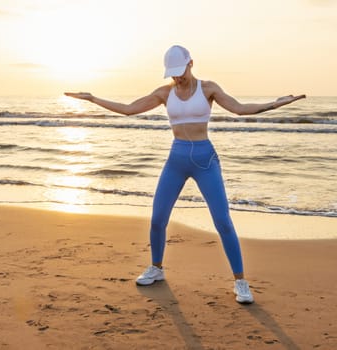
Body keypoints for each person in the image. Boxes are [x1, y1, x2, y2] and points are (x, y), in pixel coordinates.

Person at [65, 45, 306, 304]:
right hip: (176, 161)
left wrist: (274, 104)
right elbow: (128, 109)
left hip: (205, 161)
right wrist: (93, 99)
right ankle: (156, 268)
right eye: (173, 74)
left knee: (223, 222)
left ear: (191, 63)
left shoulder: (208, 88)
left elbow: (239, 108)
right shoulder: (164, 93)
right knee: (158, 219)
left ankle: (240, 282)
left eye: (180, 71)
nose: (177, 77)